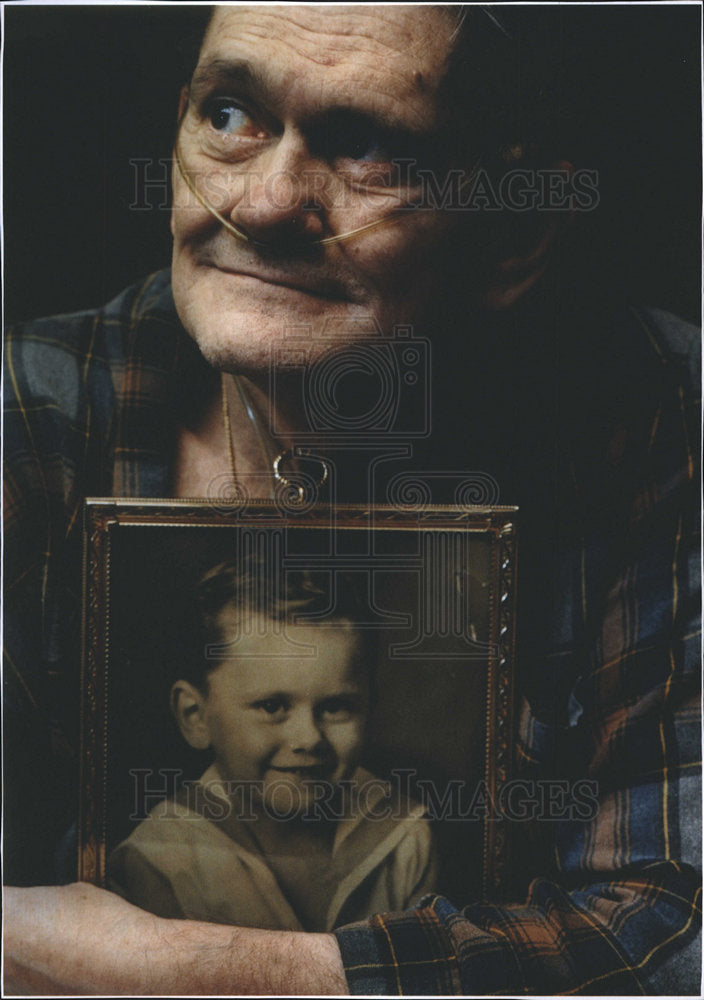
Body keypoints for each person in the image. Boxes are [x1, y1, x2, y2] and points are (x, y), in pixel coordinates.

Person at [3, 4, 700, 995]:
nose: (264, 201)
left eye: (362, 144)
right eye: (231, 114)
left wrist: (183, 970)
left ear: (513, 230)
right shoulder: (28, 408)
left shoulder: (661, 409)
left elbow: (674, 934)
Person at [108, 560, 436, 930]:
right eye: (272, 706)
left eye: (335, 707)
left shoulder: (404, 838)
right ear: (195, 716)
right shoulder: (158, 862)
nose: (309, 738)